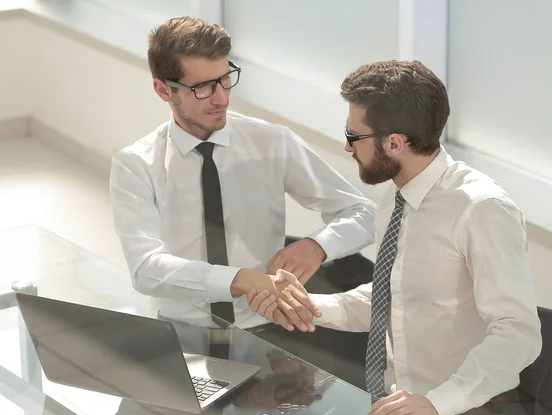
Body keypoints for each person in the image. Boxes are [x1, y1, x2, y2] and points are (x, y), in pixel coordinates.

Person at [247, 60, 543, 415]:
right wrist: (307, 305)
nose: (346, 146)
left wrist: (436, 404)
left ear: (395, 143)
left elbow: (518, 334)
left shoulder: (481, 209)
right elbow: (390, 297)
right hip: (398, 412)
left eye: (354, 136)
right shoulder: (396, 197)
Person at [109, 17, 375, 354]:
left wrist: (318, 246)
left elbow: (363, 212)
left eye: (224, 79)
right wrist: (242, 280)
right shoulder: (136, 165)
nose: (220, 98)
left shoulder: (272, 142)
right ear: (164, 90)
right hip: (181, 332)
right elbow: (146, 268)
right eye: (202, 87)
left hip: (270, 330)